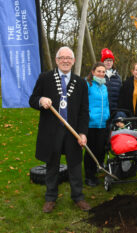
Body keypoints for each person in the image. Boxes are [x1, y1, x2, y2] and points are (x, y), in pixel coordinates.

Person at [29, 46, 91, 213]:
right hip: (51, 131)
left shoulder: (81, 83)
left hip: (73, 131)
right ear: (56, 60)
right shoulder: (45, 78)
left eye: (68, 58)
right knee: (52, 165)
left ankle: (78, 197)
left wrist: (83, 133)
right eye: (62, 57)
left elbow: (85, 111)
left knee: (75, 165)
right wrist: (41, 100)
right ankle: (50, 197)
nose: (65, 60)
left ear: (73, 61)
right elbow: (32, 99)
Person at [83, 62, 110, 186]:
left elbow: (106, 103)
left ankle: (95, 171)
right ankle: (89, 176)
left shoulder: (104, 86)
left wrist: (107, 114)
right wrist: (89, 115)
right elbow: (83, 103)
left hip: (102, 123)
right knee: (90, 151)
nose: (101, 73)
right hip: (91, 123)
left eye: (103, 72)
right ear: (93, 72)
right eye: (99, 71)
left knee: (100, 149)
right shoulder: (88, 85)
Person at [117, 62, 137, 136]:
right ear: (133, 71)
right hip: (128, 116)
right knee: (128, 138)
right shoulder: (126, 83)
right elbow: (121, 101)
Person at [101, 48, 122, 112]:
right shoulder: (98, 75)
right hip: (101, 110)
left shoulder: (118, 77)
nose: (109, 62)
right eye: (106, 60)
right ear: (103, 62)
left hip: (114, 111)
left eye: (110, 60)